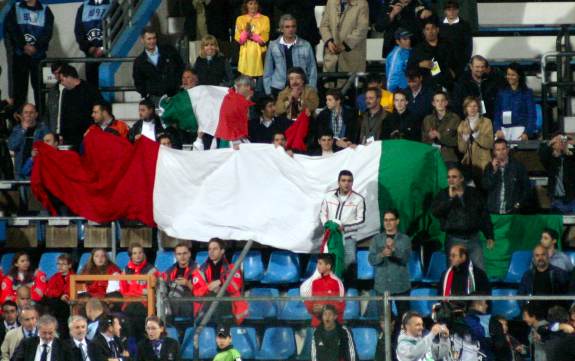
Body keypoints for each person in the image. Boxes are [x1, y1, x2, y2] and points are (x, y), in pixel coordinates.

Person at [431, 165, 494, 271]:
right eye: (449, 177)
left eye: (454, 177)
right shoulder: (443, 194)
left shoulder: (474, 193)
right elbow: (436, 212)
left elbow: (483, 215)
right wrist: (450, 199)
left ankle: (478, 288)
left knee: (480, 271)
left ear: (461, 178)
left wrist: (489, 235)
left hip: (474, 239)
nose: (450, 180)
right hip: (454, 239)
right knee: (455, 271)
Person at [3, 0, 54, 109]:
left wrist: (36, 47)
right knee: (19, 91)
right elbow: (11, 29)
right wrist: (23, 46)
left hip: (39, 57)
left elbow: (48, 32)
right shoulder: (15, 8)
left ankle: (41, 117)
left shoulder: (46, 10)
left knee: (40, 90)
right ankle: (18, 120)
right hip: (20, 56)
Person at [192, 238, 248, 325]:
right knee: (211, 297)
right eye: (209, 249)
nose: (211, 252)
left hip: (228, 307)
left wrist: (221, 283)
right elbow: (197, 292)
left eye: (215, 249)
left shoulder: (232, 268)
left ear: (222, 251)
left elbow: (236, 287)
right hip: (206, 307)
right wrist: (209, 287)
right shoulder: (200, 271)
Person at [368, 209, 411, 320]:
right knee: (384, 320)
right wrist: (382, 254)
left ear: (397, 221)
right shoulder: (376, 240)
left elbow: (405, 259)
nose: (388, 222)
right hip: (382, 287)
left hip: (401, 286)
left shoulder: (405, 239)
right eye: (385, 220)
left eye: (391, 220)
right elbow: (371, 259)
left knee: (404, 320)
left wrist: (393, 250)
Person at [320, 170, 366, 270]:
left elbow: (361, 221)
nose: (346, 183)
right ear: (338, 182)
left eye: (349, 181)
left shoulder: (358, 199)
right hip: (331, 236)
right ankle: (332, 284)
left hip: (348, 238)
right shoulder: (329, 196)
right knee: (329, 262)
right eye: (343, 180)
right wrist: (327, 224)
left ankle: (345, 284)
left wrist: (345, 227)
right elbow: (323, 213)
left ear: (352, 182)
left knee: (349, 262)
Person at [263, 14, 317, 96]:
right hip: (279, 87)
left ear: (296, 28)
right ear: (281, 29)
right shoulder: (273, 45)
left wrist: (311, 89)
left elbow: (312, 69)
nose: (290, 29)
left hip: (300, 88)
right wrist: (268, 91)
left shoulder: (306, 45)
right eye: (287, 27)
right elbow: (268, 70)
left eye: (293, 26)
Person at [133, 28, 184, 104]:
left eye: (154, 38)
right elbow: (139, 82)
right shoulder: (139, 62)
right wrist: (147, 95)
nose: (152, 41)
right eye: (149, 39)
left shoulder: (169, 51)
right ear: (142, 40)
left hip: (175, 96)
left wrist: (178, 85)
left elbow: (180, 67)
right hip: (155, 99)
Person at [58, 64, 104, 150]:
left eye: (62, 80)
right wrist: (62, 134)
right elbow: (63, 114)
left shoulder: (90, 90)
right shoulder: (65, 93)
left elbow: (100, 110)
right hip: (70, 138)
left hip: (87, 136)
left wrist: (93, 129)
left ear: (69, 77)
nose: (61, 83)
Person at [518, 245, 570, 317]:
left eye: (543, 255)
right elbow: (520, 295)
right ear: (533, 258)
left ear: (548, 256)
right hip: (533, 313)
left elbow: (567, 296)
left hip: (554, 314)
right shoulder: (527, 275)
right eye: (537, 255)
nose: (540, 258)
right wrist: (525, 310)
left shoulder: (560, 273)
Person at [119, 242, 158, 340]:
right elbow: (124, 290)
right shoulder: (125, 270)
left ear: (144, 254)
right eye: (135, 253)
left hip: (145, 304)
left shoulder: (152, 270)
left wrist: (135, 291)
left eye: (140, 252)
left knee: (135, 318)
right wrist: (138, 291)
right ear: (131, 256)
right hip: (129, 303)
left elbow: (151, 291)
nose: (138, 255)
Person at [319, 0, 369, 74]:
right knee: (329, 83)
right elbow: (324, 26)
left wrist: (345, 45)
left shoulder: (362, 3)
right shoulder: (331, 2)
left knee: (350, 84)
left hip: (352, 58)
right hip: (331, 58)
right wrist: (329, 42)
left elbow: (362, 29)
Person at [482, 138, 530, 214]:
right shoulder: (489, 167)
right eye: (498, 150)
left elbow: (526, 188)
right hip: (494, 211)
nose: (501, 152)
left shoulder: (517, 166)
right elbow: (485, 186)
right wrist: (493, 171)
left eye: (503, 149)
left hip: (512, 211)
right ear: (494, 152)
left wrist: (518, 204)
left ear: (508, 150)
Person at [407, 17, 455, 91]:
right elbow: (409, 68)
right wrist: (420, 64)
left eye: (433, 28)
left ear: (437, 30)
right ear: (424, 31)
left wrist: (453, 73)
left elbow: (455, 63)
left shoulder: (447, 45)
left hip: (446, 85)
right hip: (426, 88)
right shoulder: (418, 49)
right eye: (427, 29)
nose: (430, 31)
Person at [494, 63, 537, 141]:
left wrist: (527, 133)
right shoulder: (501, 93)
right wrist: (497, 129)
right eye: (508, 74)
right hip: (503, 129)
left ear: (519, 76)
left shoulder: (527, 93)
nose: (510, 77)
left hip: (520, 128)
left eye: (513, 75)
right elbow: (497, 113)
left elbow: (532, 115)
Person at [452, 55, 504, 120]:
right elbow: (457, 104)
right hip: (468, 121)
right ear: (471, 66)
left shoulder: (492, 81)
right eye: (477, 67)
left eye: (482, 67)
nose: (480, 69)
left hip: (489, 120)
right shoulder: (462, 82)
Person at [300, 253, 345, 328]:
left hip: (333, 326)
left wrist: (324, 308)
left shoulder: (337, 283)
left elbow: (341, 306)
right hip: (317, 325)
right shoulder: (314, 282)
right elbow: (308, 302)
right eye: (317, 263)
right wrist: (312, 308)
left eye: (320, 263)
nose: (317, 266)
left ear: (328, 266)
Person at [457, 96, 494, 185]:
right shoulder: (462, 125)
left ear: (479, 107)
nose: (472, 109)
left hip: (483, 162)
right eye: (469, 106)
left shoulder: (487, 122)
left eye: (475, 106)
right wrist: (465, 136)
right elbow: (461, 149)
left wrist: (475, 134)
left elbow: (489, 144)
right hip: (469, 164)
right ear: (466, 108)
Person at [7, 104, 49, 179]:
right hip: (20, 172)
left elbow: (49, 147)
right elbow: (12, 146)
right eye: (26, 112)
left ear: (36, 115)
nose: (28, 115)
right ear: (22, 114)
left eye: (31, 112)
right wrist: (23, 130)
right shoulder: (17, 129)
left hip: (38, 170)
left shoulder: (43, 129)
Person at [74, 0, 110, 86]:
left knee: (107, 87)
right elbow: (78, 32)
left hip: (108, 55)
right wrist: (89, 48)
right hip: (90, 55)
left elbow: (118, 28)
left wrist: (103, 48)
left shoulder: (113, 4)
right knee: (92, 88)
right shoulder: (83, 8)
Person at [538, 133, 575, 213]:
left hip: (572, 199)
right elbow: (541, 155)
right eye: (558, 142)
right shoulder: (550, 159)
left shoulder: (570, 158)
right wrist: (551, 141)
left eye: (562, 141)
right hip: (556, 200)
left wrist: (570, 145)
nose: (561, 143)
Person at [214, 76, 255, 147]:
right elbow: (245, 117)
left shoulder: (233, 98)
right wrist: (247, 100)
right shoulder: (231, 99)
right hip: (229, 137)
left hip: (238, 136)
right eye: (246, 86)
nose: (249, 89)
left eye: (249, 86)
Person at [422, 90, 461, 164]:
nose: (440, 103)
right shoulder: (427, 119)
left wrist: (440, 136)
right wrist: (429, 137)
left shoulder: (455, 118)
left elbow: (458, 141)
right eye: (437, 101)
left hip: (448, 157)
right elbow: (423, 140)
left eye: (442, 101)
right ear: (433, 103)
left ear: (446, 103)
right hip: (431, 156)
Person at [234, 0, 270, 78]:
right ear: (246, 5)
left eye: (255, 3)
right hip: (245, 56)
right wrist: (246, 32)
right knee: (246, 82)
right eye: (250, 3)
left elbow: (264, 40)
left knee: (260, 83)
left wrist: (251, 35)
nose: (253, 6)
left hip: (260, 55)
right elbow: (240, 40)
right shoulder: (240, 19)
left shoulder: (265, 19)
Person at [41, 254, 74, 337]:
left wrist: (63, 295)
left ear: (69, 265)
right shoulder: (54, 277)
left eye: (63, 264)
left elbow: (70, 291)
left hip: (69, 303)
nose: (60, 266)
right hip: (58, 303)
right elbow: (48, 291)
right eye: (58, 264)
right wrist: (60, 295)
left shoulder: (74, 277)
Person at [161, 242, 196, 319]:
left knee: (177, 288)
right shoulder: (169, 271)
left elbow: (203, 293)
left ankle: (167, 313)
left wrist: (188, 284)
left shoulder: (198, 270)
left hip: (190, 305)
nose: (182, 256)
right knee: (162, 287)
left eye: (184, 253)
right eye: (179, 254)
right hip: (174, 302)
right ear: (175, 256)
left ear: (189, 254)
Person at [439, 1, 473, 79]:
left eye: (454, 9)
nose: (451, 12)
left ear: (458, 10)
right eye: (449, 9)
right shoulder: (438, 25)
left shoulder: (465, 26)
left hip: (459, 66)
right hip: (441, 64)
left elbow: (468, 48)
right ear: (445, 11)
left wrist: (459, 70)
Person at [386, 28, 412, 92]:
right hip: (400, 90)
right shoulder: (396, 55)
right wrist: (393, 91)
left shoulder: (410, 51)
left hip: (409, 89)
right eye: (405, 39)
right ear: (397, 41)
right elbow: (393, 74)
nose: (408, 41)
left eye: (409, 38)